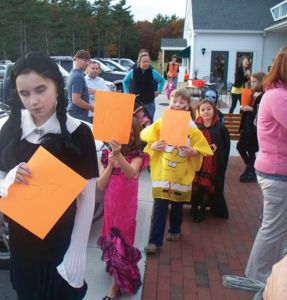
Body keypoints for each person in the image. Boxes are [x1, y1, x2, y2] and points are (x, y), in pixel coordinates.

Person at [0, 52, 99, 300]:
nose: (33, 101)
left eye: (41, 90)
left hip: (61, 242)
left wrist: (76, 254)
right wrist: (8, 182)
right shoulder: (12, 127)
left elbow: (87, 199)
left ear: (57, 87)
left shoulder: (79, 133)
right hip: (21, 242)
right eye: (24, 94)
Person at [223, 47, 287, 293]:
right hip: (277, 172)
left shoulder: (275, 94)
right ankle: (257, 276)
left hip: (275, 169)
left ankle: (267, 272)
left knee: (278, 226)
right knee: (273, 227)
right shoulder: (280, 97)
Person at [140, 88, 213, 254]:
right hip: (163, 174)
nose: (177, 105)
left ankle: (175, 230)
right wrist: (153, 145)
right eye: (174, 101)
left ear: (188, 106)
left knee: (178, 204)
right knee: (160, 206)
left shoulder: (191, 126)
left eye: (182, 102)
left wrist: (194, 151)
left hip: (181, 174)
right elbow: (145, 134)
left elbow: (203, 148)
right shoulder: (162, 121)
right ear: (169, 101)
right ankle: (154, 242)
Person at [96, 116, 149, 299]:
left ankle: (114, 289)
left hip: (126, 208)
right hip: (111, 208)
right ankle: (116, 270)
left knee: (122, 243)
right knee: (111, 239)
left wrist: (118, 155)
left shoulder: (138, 156)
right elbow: (100, 186)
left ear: (134, 134)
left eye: (129, 132)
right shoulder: (107, 155)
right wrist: (110, 164)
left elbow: (132, 173)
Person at [191, 99, 230, 222]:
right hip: (198, 161)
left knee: (206, 187)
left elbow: (224, 148)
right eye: (203, 110)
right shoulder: (195, 127)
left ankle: (202, 210)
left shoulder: (220, 128)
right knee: (195, 186)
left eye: (208, 109)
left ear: (214, 110)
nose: (206, 112)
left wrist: (217, 149)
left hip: (211, 162)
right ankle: (194, 208)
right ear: (199, 112)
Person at [236, 72, 266, 183]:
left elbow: (261, 114)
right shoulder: (251, 93)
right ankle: (251, 167)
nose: (252, 84)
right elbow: (245, 109)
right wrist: (242, 108)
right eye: (251, 82)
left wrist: (250, 109)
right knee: (241, 147)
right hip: (247, 125)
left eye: (254, 81)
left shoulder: (263, 95)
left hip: (254, 128)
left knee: (251, 149)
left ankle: (251, 170)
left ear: (261, 81)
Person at [122, 52, 165, 122]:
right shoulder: (133, 72)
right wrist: (127, 93)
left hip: (149, 103)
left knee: (149, 123)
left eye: (148, 62)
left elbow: (162, 80)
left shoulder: (153, 72)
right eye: (144, 61)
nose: (146, 63)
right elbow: (124, 81)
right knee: (136, 123)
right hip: (136, 103)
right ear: (139, 62)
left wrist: (159, 91)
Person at [66, 49, 92, 122]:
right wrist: (92, 108)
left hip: (75, 112)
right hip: (77, 114)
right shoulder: (78, 76)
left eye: (88, 61)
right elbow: (76, 100)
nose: (87, 63)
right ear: (77, 59)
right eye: (85, 60)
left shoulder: (74, 73)